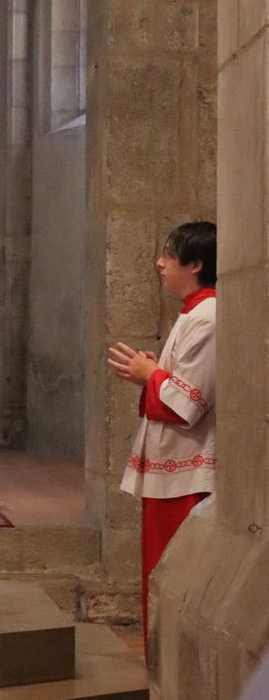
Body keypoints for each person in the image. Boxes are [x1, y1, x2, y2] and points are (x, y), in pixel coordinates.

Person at [107, 221, 217, 652]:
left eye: (169, 255)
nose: (159, 263)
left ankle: (174, 665)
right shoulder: (193, 311)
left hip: (190, 474)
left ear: (195, 263)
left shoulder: (208, 317)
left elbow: (188, 403)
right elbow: (181, 383)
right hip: (175, 472)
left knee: (175, 573)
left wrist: (153, 375)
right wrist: (154, 374)